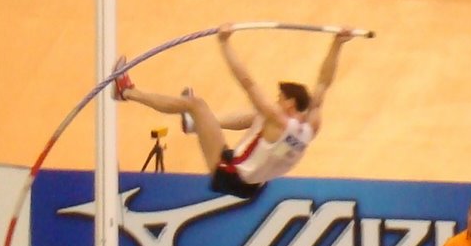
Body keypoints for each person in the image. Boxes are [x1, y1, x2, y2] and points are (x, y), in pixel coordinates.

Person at [111, 23, 355, 199]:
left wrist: (225, 43)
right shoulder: (310, 126)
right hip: (254, 185)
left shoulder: (277, 120)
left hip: (231, 173)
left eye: (280, 98)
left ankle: (126, 92)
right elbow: (324, 82)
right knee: (256, 119)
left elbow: (246, 81)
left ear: (290, 103)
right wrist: (337, 44)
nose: (276, 100)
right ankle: (196, 124)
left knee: (196, 105)